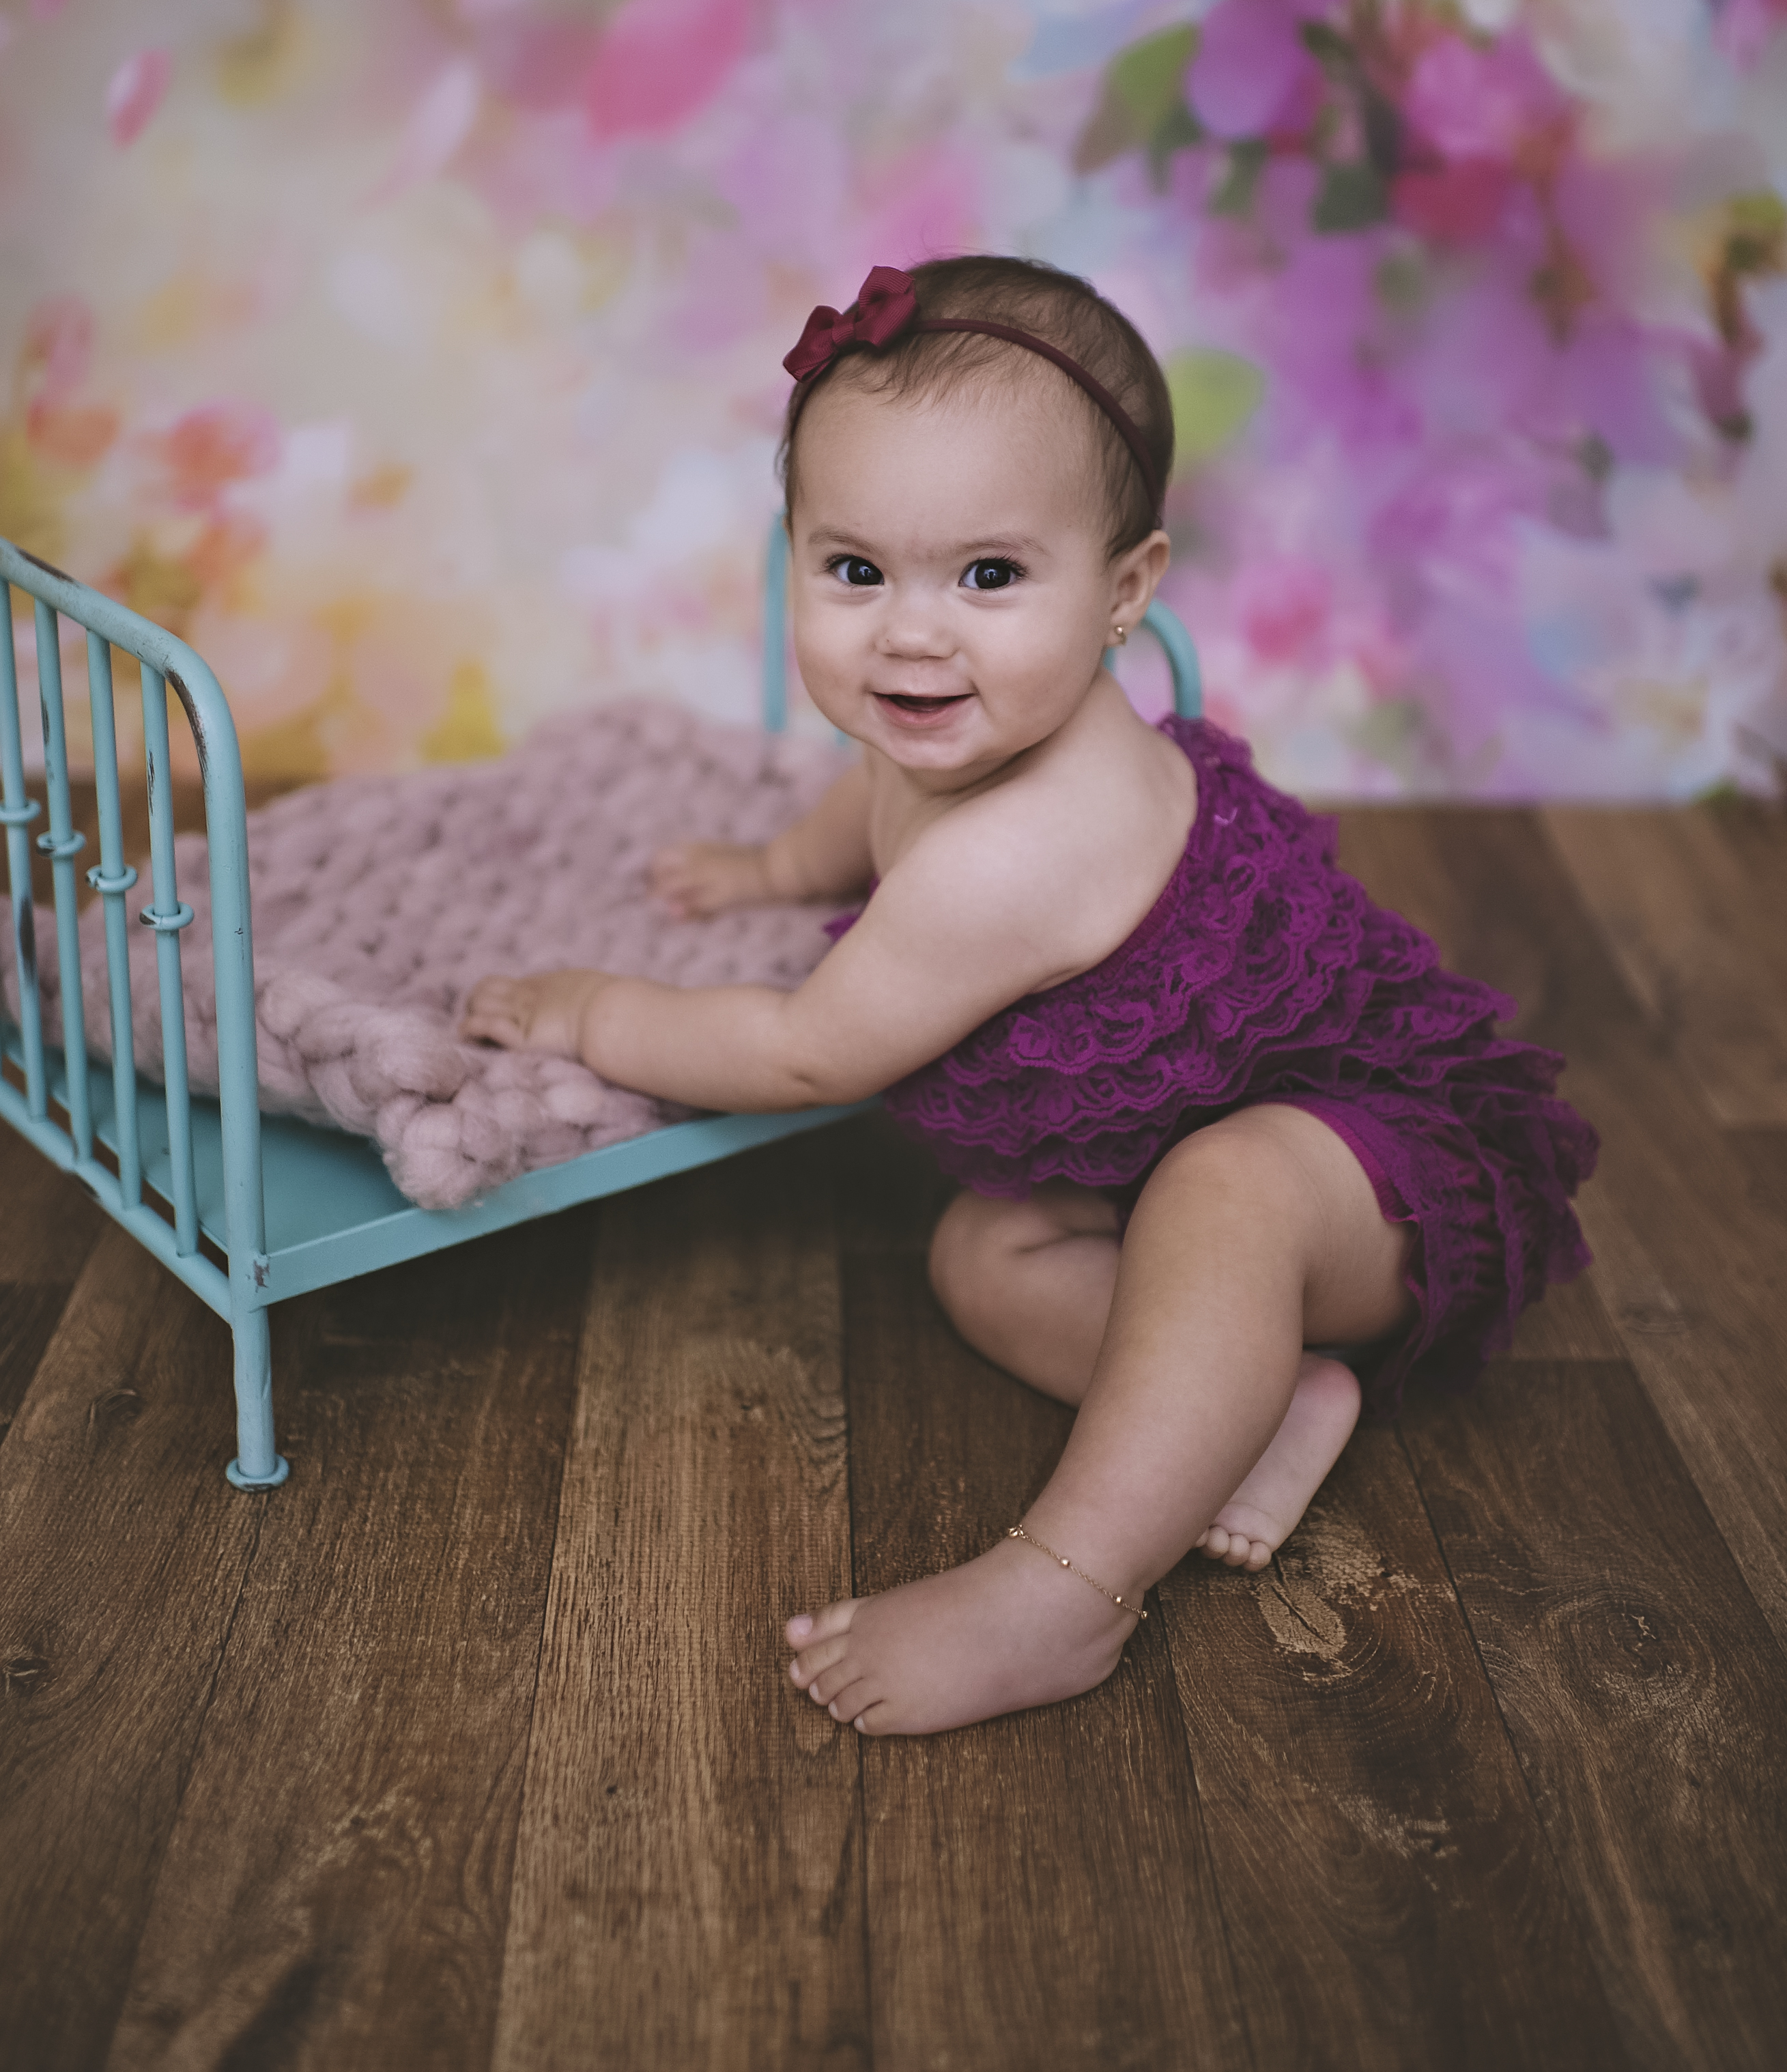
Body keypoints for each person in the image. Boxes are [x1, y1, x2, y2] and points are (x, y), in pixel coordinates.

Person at [461, 255, 1596, 1737]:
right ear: (794, 552)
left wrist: (592, 1013)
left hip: (1376, 1156)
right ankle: (1265, 1401)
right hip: (1179, 1149)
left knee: (1225, 1189)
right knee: (983, 1253)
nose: (911, 632)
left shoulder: (1017, 846)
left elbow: (808, 1052)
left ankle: (1066, 1587)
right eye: (853, 570)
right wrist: (763, 865)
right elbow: (861, 806)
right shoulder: (946, 721)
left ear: (1126, 590)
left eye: (989, 575)